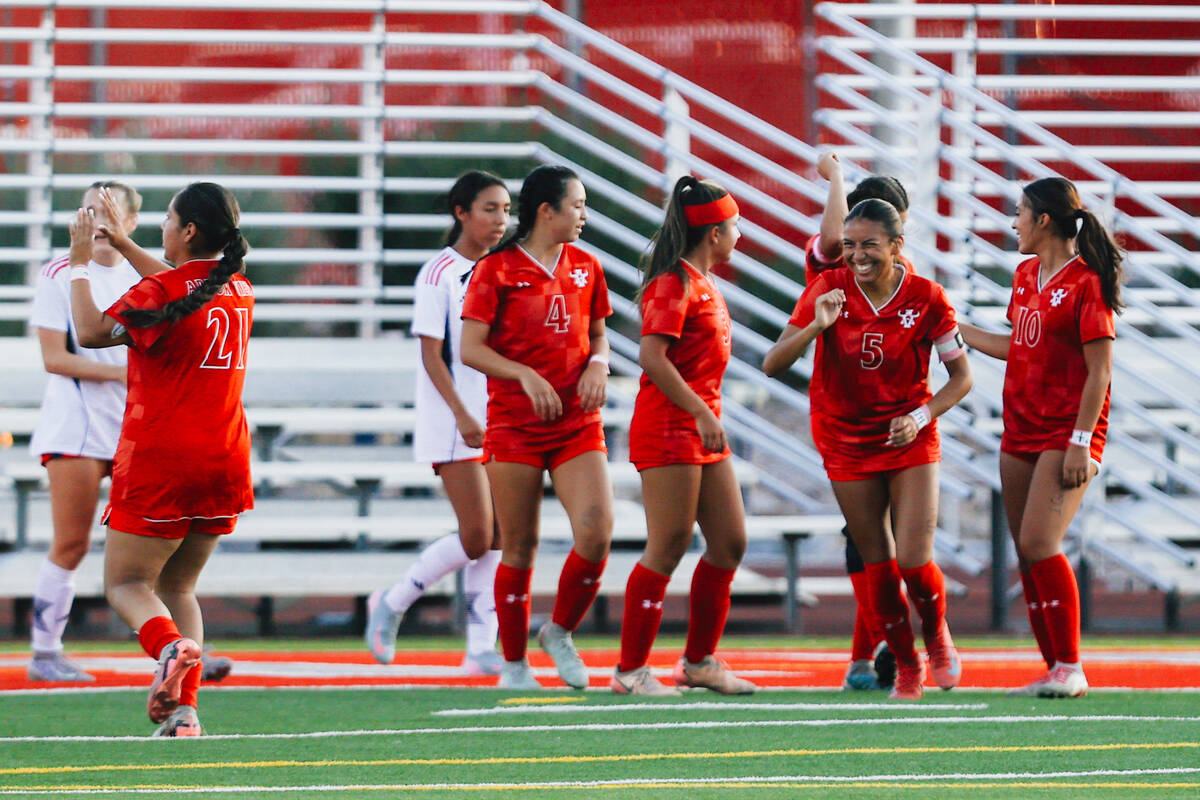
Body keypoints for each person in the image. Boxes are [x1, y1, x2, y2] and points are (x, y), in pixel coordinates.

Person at [763, 198, 973, 700]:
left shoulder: (927, 296)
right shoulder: (827, 287)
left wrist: (921, 416)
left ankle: (937, 634)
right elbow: (772, 363)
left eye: (869, 246)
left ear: (897, 246)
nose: (857, 256)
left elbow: (961, 378)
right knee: (877, 563)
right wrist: (818, 325)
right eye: (851, 246)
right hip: (845, 439)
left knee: (914, 560)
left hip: (909, 436)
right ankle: (905, 665)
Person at [67, 181, 254, 736]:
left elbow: (90, 330)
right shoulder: (238, 287)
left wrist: (81, 265)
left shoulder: (168, 292)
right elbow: (177, 287)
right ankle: (185, 714)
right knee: (179, 588)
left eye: (170, 219)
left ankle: (169, 648)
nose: (164, 227)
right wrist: (123, 245)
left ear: (188, 230)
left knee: (125, 584)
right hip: (225, 456)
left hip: (164, 456)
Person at [959, 177, 1121, 699]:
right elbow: (1016, 346)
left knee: (1038, 542)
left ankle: (1072, 665)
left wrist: (1079, 441)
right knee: (1027, 554)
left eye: (1020, 212)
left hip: (1065, 430)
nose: (1013, 222)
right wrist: (952, 328)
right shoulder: (1026, 273)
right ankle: (1056, 668)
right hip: (1021, 424)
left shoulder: (1087, 281)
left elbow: (1100, 371)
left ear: (1043, 220)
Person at [460, 165, 613, 690]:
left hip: (576, 423)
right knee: (519, 547)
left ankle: (561, 630)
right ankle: (515, 664)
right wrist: (523, 373)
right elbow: (470, 348)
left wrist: (598, 364)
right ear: (546, 211)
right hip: (515, 426)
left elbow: (599, 334)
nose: (584, 217)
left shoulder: (588, 266)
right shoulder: (495, 270)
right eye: (577, 206)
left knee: (597, 533)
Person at [611, 176, 755, 696]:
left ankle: (698, 662)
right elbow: (652, 357)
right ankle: (630, 672)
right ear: (714, 233)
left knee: (730, 542)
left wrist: (704, 415)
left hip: (699, 424)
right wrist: (699, 411)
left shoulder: (702, 280)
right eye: (734, 224)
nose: (741, 232)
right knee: (668, 544)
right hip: (672, 424)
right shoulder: (675, 283)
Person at [365, 171, 509, 675]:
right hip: (453, 418)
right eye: (489, 208)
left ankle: (480, 646)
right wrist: (465, 415)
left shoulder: (503, 270)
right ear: (461, 213)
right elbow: (432, 355)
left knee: (499, 536)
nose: (500, 220)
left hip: (498, 417)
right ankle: (393, 600)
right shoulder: (439, 273)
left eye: (506, 210)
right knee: (476, 535)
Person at [26, 181, 142, 683]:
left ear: (131, 223)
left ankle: (177, 645)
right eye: (90, 210)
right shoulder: (59, 272)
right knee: (71, 543)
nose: (97, 220)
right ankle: (45, 651)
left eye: (110, 211)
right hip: (75, 427)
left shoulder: (144, 274)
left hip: (133, 427)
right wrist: (123, 373)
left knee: (156, 544)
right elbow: (55, 358)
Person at [807, 152, 914, 691]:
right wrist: (838, 179)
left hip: (893, 422)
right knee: (870, 538)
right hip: (845, 421)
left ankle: (870, 649)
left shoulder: (908, 279)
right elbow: (827, 244)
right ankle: (877, 645)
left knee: (886, 540)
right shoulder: (836, 265)